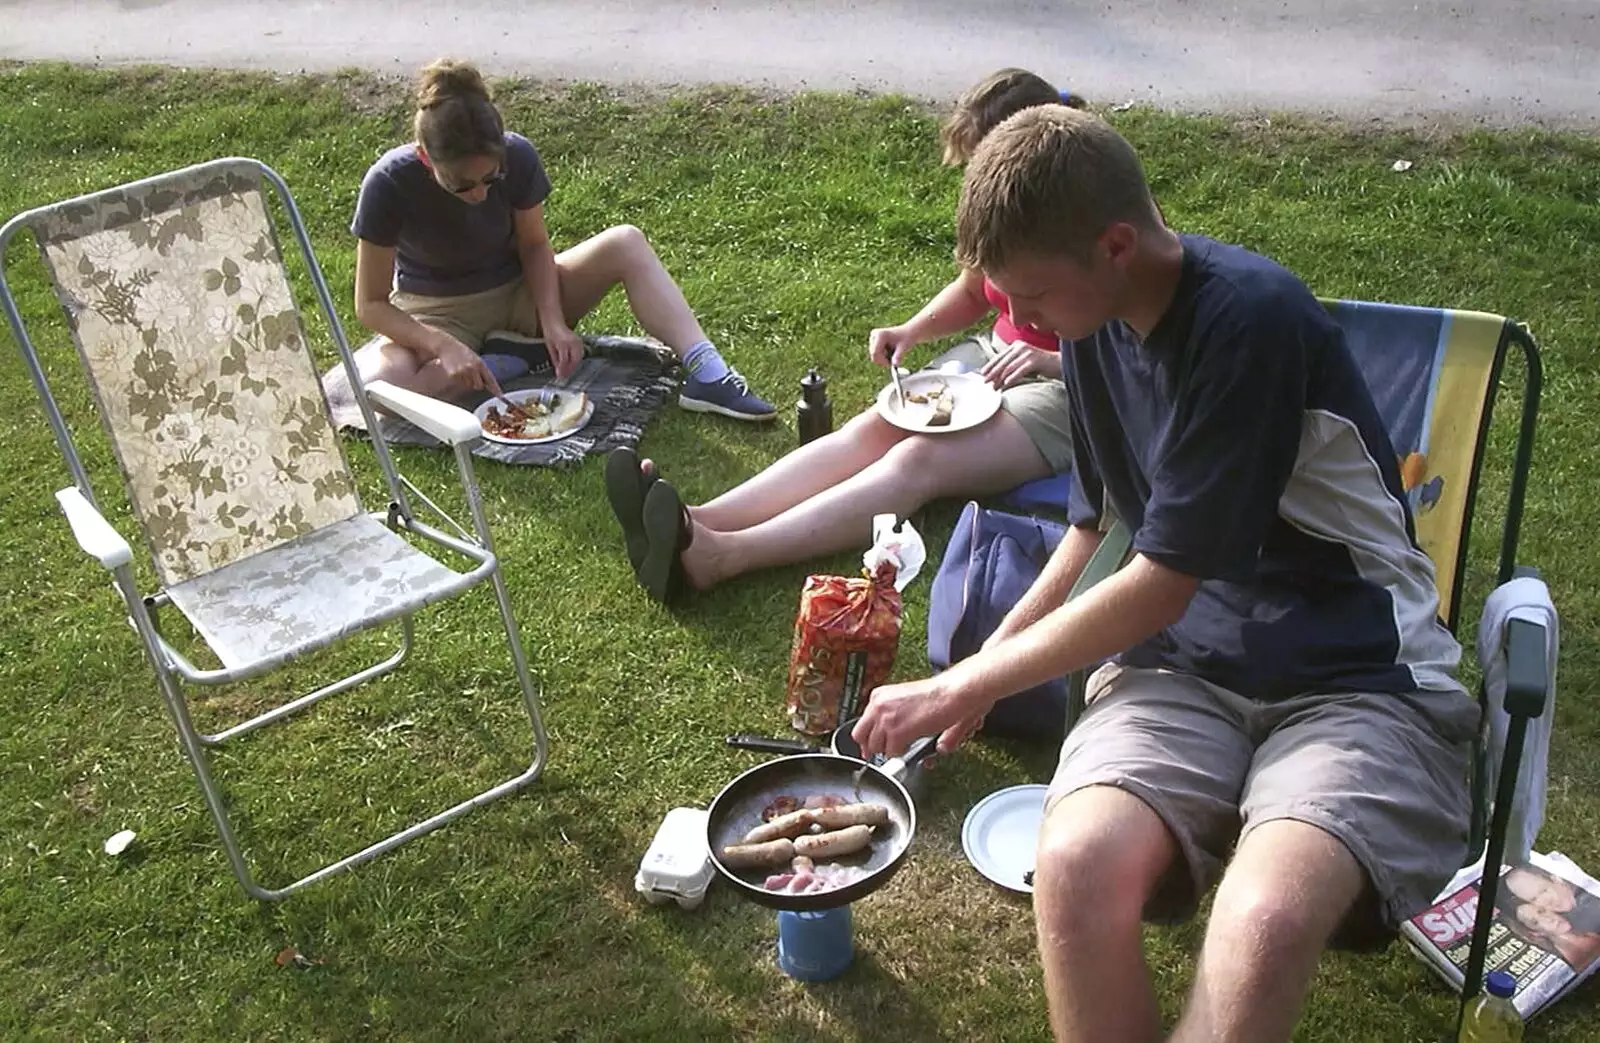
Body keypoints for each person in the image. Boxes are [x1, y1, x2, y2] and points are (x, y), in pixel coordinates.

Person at [851, 105, 1480, 1043]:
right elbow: (1097, 525)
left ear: (1114, 245)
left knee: (1262, 921)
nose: (1012, 326)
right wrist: (997, 658)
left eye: (1026, 298)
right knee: (1073, 867)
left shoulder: (1248, 324)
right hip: (1184, 673)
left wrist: (956, 682)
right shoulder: (1095, 327)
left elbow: (1160, 579)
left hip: (1361, 680)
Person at [605, 69, 1083, 602]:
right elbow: (974, 291)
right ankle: (694, 522)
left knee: (916, 460)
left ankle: (721, 556)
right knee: (876, 426)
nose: (974, 182)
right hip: (993, 359)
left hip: (1075, 388)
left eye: (981, 166)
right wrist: (911, 330)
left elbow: (1145, 359)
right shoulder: (1002, 209)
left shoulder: (1093, 215)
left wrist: (1051, 362)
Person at [321, 58, 775, 427]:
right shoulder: (388, 181)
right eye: (462, 185)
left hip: (520, 297)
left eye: (490, 179)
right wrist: (439, 345)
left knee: (625, 243)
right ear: (425, 157)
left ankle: (709, 373)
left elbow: (536, 247)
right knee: (381, 399)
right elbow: (371, 304)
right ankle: (508, 359)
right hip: (436, 312)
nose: (479, 194)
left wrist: (554, 320)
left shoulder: (518, 155)